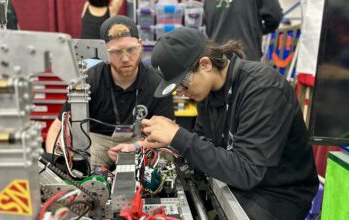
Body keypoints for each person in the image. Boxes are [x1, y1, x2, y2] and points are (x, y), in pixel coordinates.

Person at [110, 28, 318, 219]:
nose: (180, 93)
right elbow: (204, 142)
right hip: (237, 184)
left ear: (206, 64)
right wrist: (157, 144)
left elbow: (248, 172)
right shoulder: (208, 92)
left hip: (278, 193)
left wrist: (178, 136)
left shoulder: (263, 90)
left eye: (182, 84)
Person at [46, 16, 174, 168]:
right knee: (80, 169)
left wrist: (137, 146)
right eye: (117, 52)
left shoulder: (157, 82)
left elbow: (168, 131)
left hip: (140, 140)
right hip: (97, 141)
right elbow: (57, 128)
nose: (126, 58)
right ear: (104, 52)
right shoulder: (88, 80)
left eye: (131, 49)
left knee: (164, 160)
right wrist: (57, 165)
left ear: (140, 45)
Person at [204, 0, 283, 61]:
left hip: (216, 59)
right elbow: (275, 17)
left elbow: (206, 25)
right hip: (246, 57)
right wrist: (259, 31)